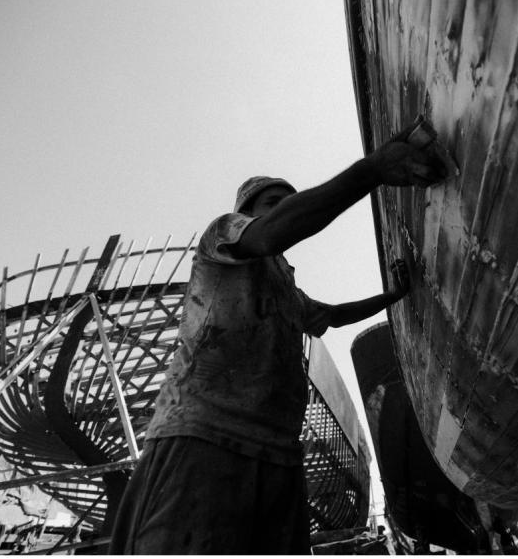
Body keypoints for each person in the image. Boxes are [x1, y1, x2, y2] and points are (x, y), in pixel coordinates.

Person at [108, 122, 448, 554]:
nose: (283, 211)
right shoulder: (224, 236)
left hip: (279, 455)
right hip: (204, 438)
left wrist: (394, 295)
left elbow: (334, 316)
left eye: (289, 204)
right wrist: (372, 171)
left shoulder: (286, 286)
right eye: (272, 203)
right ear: (245, 210)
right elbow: (272, 232)